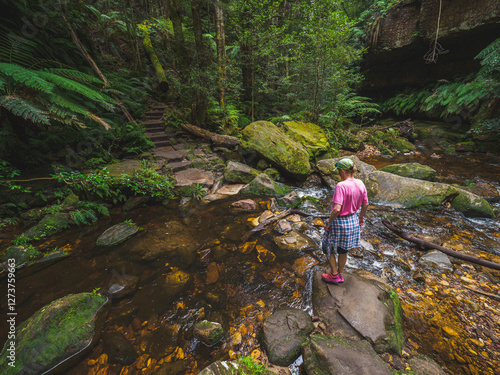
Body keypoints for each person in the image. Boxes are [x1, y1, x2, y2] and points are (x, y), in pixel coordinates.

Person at [322, 158, 369, 284]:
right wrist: (361, 218)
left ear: (342, 171)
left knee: (328, 246)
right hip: (353, 220)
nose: (338, 172)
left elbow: (337, 209)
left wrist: (329, 222)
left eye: (338, 170)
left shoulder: (341, 185)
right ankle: (340, 274)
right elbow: (365, 204)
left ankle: (334, 274)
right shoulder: (360, 183)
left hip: (340, 221)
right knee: (343, 249)